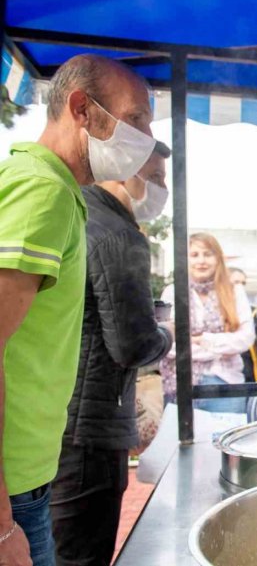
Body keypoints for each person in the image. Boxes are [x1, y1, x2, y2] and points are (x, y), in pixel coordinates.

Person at [0, 54, 155, 566]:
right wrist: (1, 527)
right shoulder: (42, 191)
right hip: (13, 490)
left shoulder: (62, 193)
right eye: (136, 119)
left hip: (33, 473)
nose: (146, 138)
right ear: (81, 109)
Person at [50, 143, 172, 566]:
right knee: (82, 554)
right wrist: (166, 334)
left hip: (56, 417)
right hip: (93, 428)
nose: (161, 190)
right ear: (124, 171)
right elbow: (133, 345)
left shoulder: (74, 212)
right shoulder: (119, 234)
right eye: (155, 178)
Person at [159, 233, 255, 414]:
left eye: (208, 254)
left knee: (225, 433)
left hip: (225, 385)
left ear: (218, 258)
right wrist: (218, 349)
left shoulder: (234, 291)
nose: (201, 261)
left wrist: (202, 339)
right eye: (194, 255)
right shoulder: (172, 292)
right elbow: (167, 344)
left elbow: (245, 338)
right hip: (179, 385)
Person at [228, 267, 257, 382]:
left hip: (250, 370)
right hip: (226, 373)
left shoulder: (251, 311)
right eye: (236, 282)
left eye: (243, 283)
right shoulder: (214, 309)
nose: (240, 287)